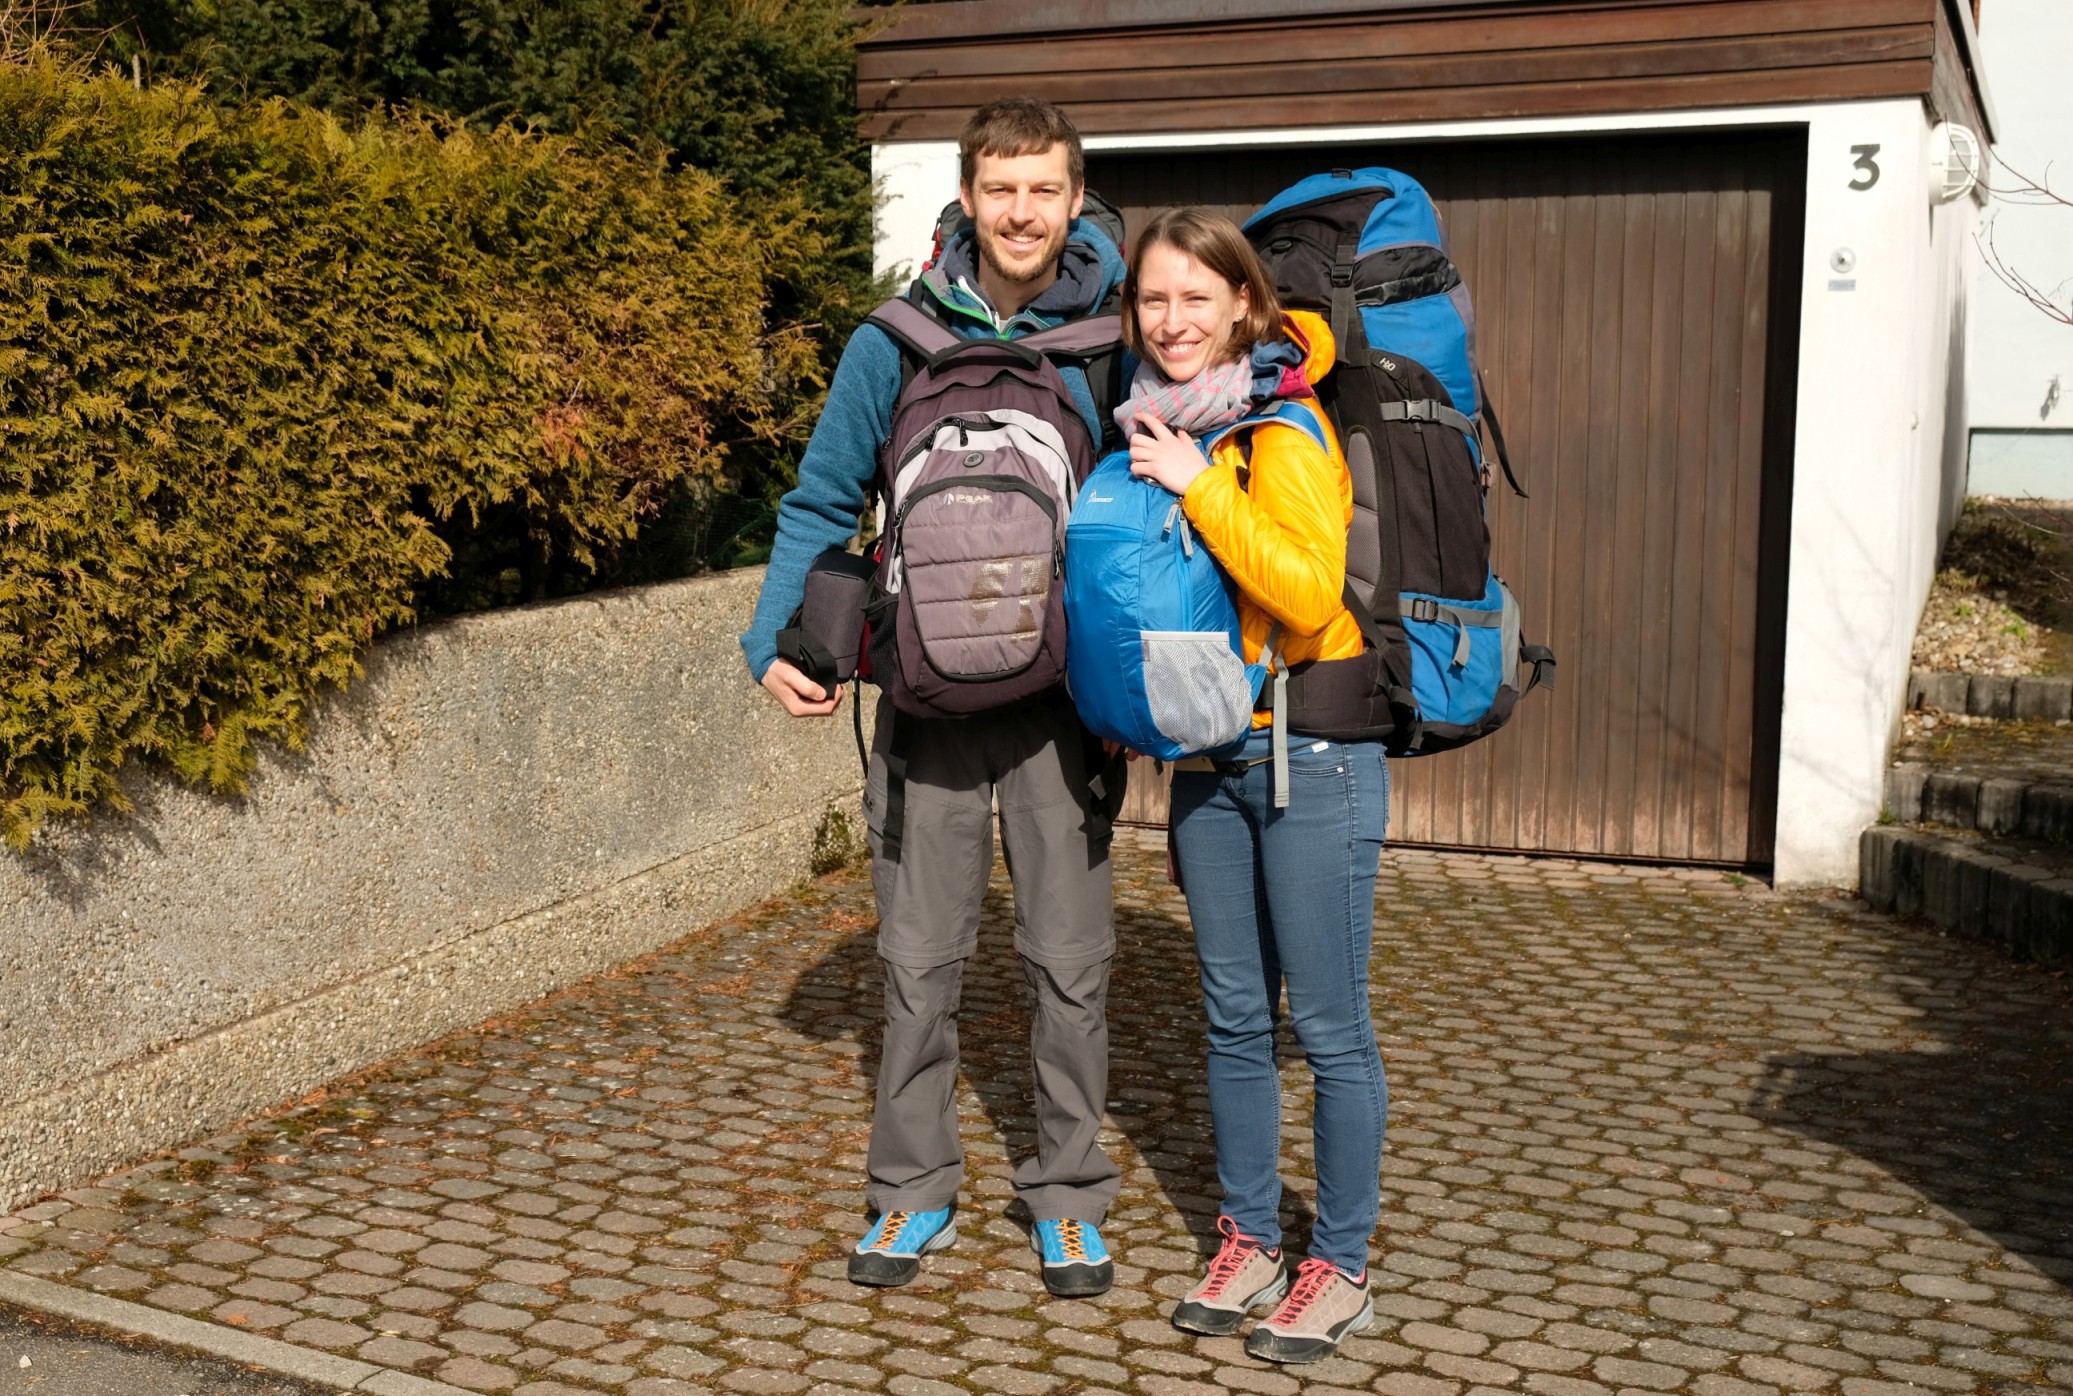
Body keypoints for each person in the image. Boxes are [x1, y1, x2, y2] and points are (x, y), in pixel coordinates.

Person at [740, 97, 1126, 1298]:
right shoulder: (893, 339)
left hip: (1063, 704)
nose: (1021, 212)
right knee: (918, 960)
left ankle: (1066, 1194)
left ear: (1076, 201)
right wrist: (774, 638)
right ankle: (910, 1193)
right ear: (966, 196)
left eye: (1043, 190)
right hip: (918, 693)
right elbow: (820, 496)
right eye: (1000, 189)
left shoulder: (1116, 335)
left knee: (1069, 960)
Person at [1116, 208, 1389, 1364]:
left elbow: (1309, 588)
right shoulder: (1164, 420)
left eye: (1195, 298)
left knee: (1327, 1027)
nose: (1172, 322)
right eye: (1153, 301)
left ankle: (1339, 1262)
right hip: (1211, 759)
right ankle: (1246, 1238)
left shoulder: (1282, 428)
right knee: (1232, 1016)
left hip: (1314, 758)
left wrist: (1197, 486)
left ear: (1244, 305)